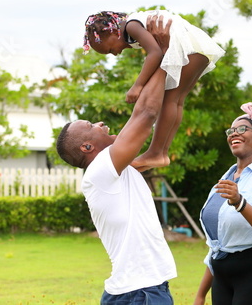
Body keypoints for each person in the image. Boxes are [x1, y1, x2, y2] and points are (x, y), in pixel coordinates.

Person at [57, 16, 177, 304]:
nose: (100, 122)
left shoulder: (113, 171)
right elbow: (145, 114)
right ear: (87, 146)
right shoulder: (101, 170)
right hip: (142, 293)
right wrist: (163, 53)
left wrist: (160, 57)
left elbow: (143, 121)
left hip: (130, 291)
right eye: (91, 125)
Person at [83, 9, 225, 172]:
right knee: (176, 101)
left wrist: (137, 86)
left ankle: (156, 152)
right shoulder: (134, 27)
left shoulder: (131, 26)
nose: (115, 54)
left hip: (186, 48)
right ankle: (161, 154)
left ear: (112, 32)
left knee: (169, 100)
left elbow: (155, 53)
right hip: (197, 48)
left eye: (109, 50)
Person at [193, 102, 252, 305]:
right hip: (222, 278)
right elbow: (217, 246)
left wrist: (240, 203)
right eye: (231, 130)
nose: (233, 133)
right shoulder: (225, 179)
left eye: (242, 129)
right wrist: (201, 294)